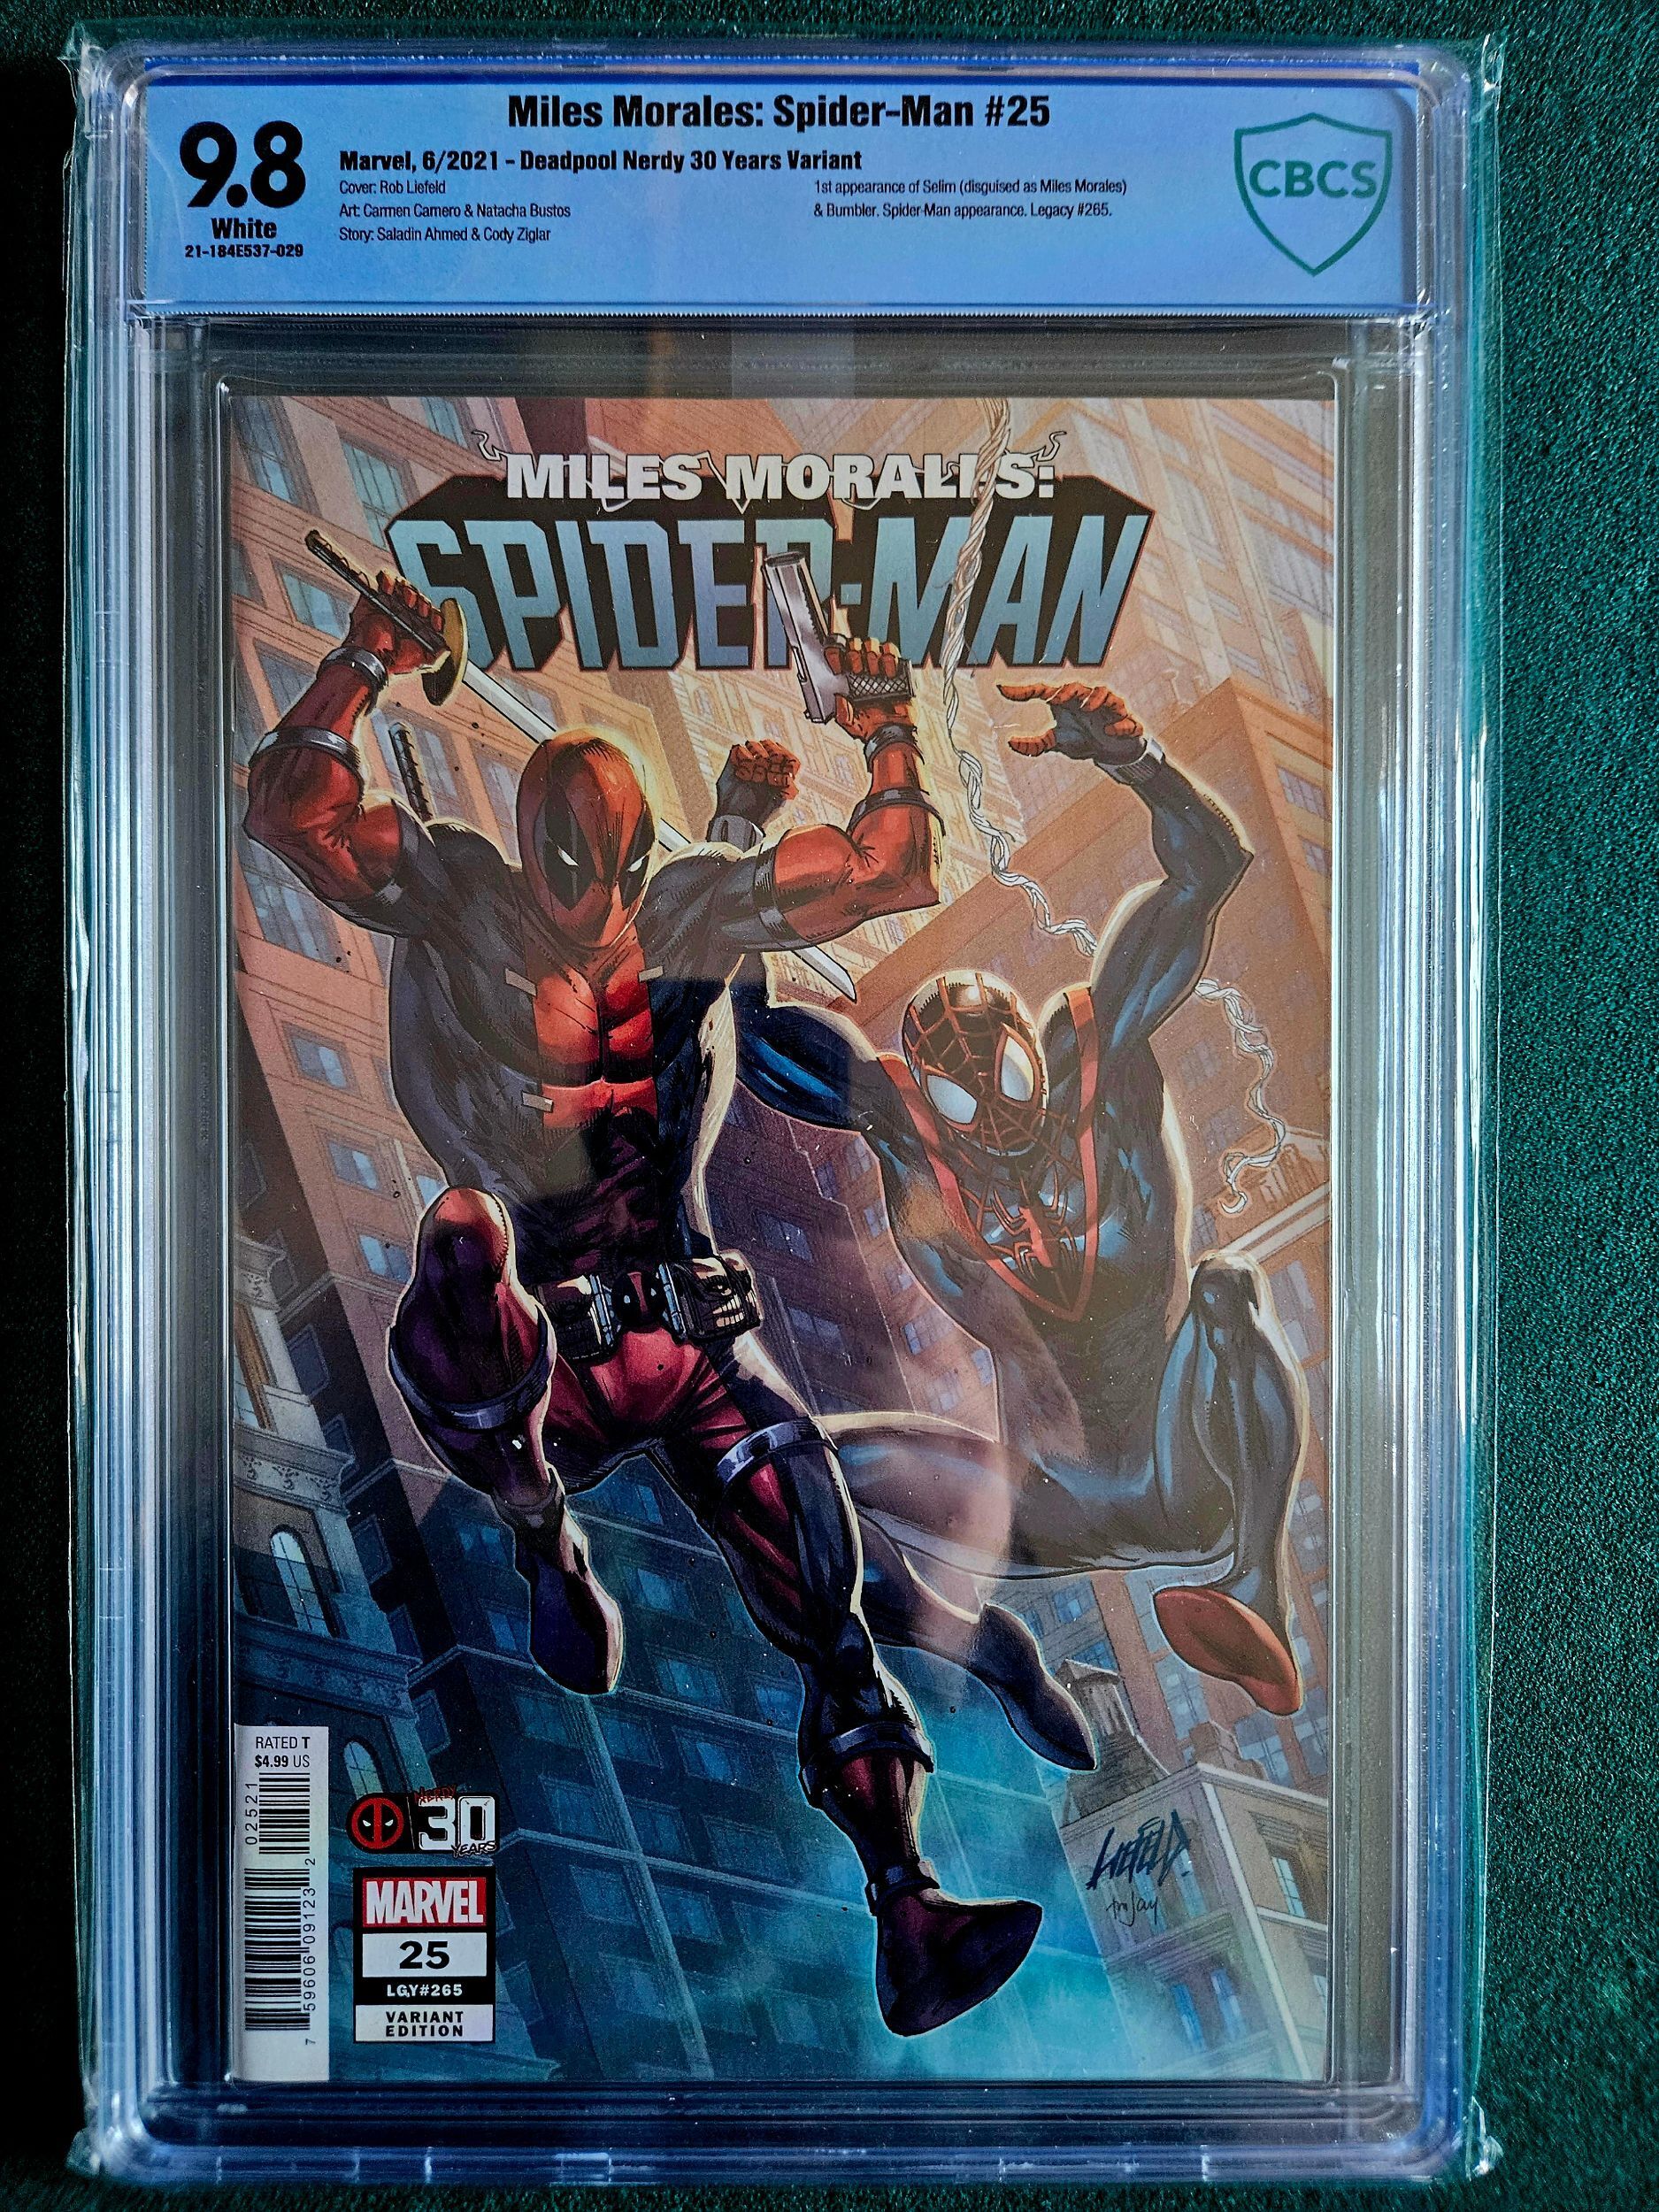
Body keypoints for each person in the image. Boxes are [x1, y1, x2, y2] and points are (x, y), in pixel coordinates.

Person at [245, 574, 1042, 2036]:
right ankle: (542, 1530)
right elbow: (292, 814)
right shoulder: (454, 896)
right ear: (527, 847)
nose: (583, 898)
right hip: (539, 1352)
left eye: (601, 870)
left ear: (630, 856)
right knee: (459, 1244)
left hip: (687, 1336)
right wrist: (363, 656)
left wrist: (883, 722)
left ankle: (908, 1910)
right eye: (562, 868)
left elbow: (887, 870)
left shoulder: (694, 907)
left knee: (829, 1619)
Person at [728, 681, 1309, 1719]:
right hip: (1042, 1503)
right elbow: (752, 1031)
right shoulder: (904, 1129)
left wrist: (1137, 760)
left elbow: (1207, 873)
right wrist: (737, 843)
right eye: (962, 1097)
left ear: (1034, 1055)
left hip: (1187, 1468)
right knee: (798, 1461)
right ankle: (939, 1649)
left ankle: (1256, 1593)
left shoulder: (1102, 1064)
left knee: (1226, 1288)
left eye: (1001, 1079)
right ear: (930, 1101)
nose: (993, 1115)